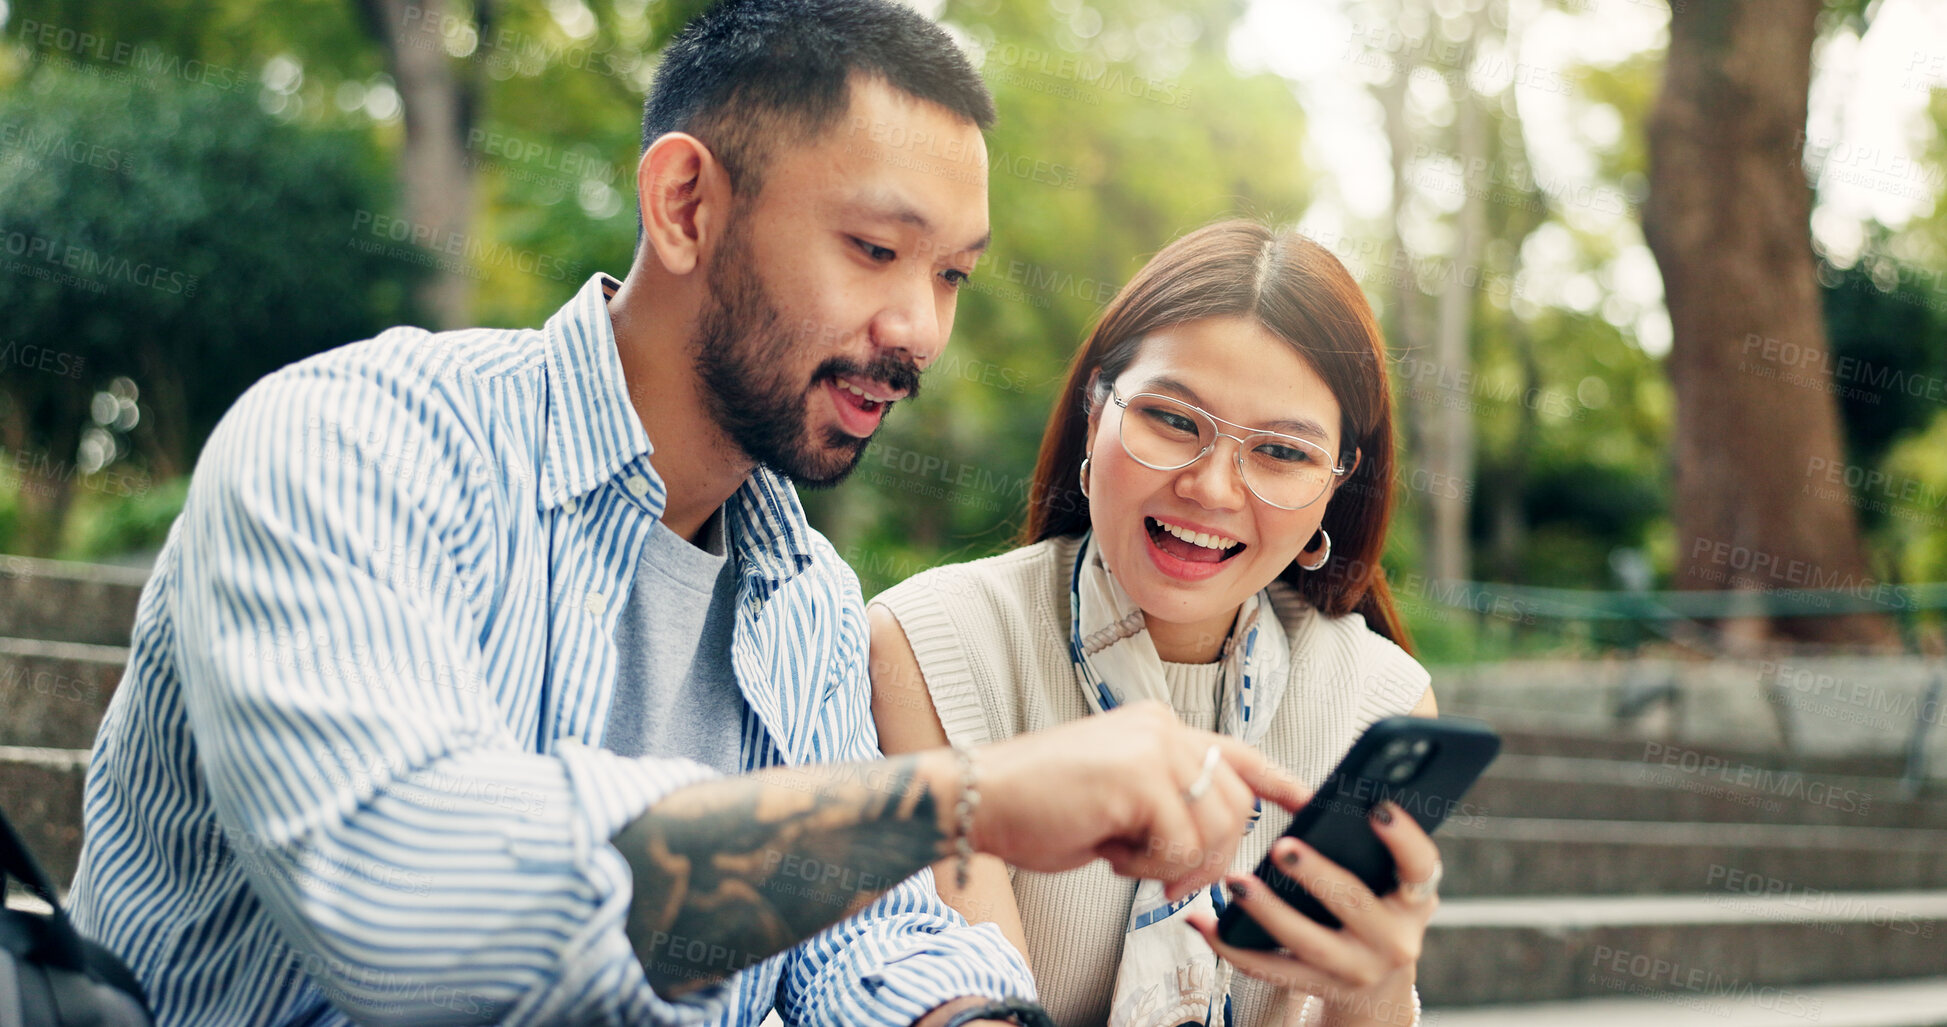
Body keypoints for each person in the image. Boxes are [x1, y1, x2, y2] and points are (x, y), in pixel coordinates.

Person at [67, 5, 1307, 1026]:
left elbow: (867, 942)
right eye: (876, 249)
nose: (921, 330)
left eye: (952, 277)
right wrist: (963, 796)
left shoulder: (806, 599)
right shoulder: (352, 445)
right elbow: (411, 907)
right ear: (685, 206)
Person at [870, 219, 1442, 1027]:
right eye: (1173, 420)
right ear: (1095, 407)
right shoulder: (930, 644)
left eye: (1281, 451)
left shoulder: (1377, 703)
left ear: (1337, 484)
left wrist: (1376, 990)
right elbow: (971, 1004)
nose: (1211, 488)